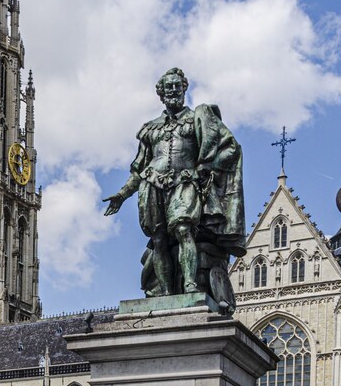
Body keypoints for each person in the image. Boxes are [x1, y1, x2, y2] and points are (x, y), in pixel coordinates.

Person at [104, 67, 245, 304]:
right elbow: (139, 169)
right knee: (158, 240)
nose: (172, 90)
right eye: (168, 87)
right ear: (160, 93)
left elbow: (231, 147)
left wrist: (208, 168)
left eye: (176, 86)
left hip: (185, 181)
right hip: (152, 184)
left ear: (184, 89)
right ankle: (165, 294)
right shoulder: (151, 128)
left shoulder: (198, 118)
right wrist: (122, 194)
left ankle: (190, 285)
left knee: (183, 230)